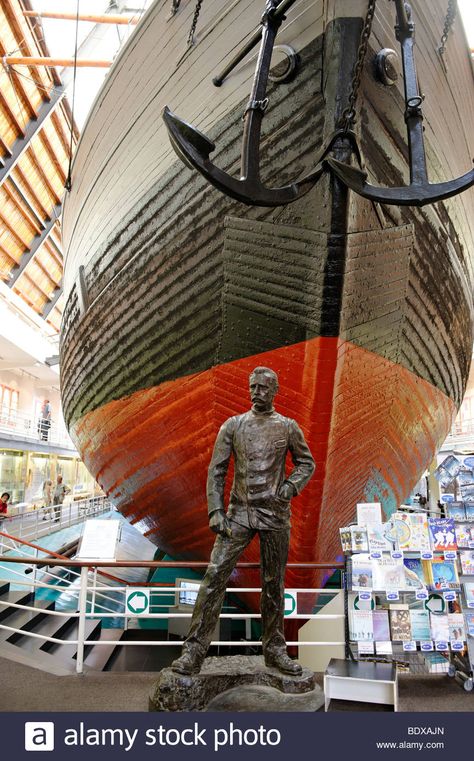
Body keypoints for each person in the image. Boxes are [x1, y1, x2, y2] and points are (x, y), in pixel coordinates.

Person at [171, 366, 315, 677]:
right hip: (238, 513)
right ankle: (194, 651)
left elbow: (307, 463)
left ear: (274, 391)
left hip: (276, 515)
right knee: (214, 577)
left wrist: (290, 487)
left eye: (263, 388)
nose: (256, 393)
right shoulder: (233, 426)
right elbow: (217, 471)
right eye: (253, 387)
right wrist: (215, 510)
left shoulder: (288, 427)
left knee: (273, 585)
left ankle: (276, 651)